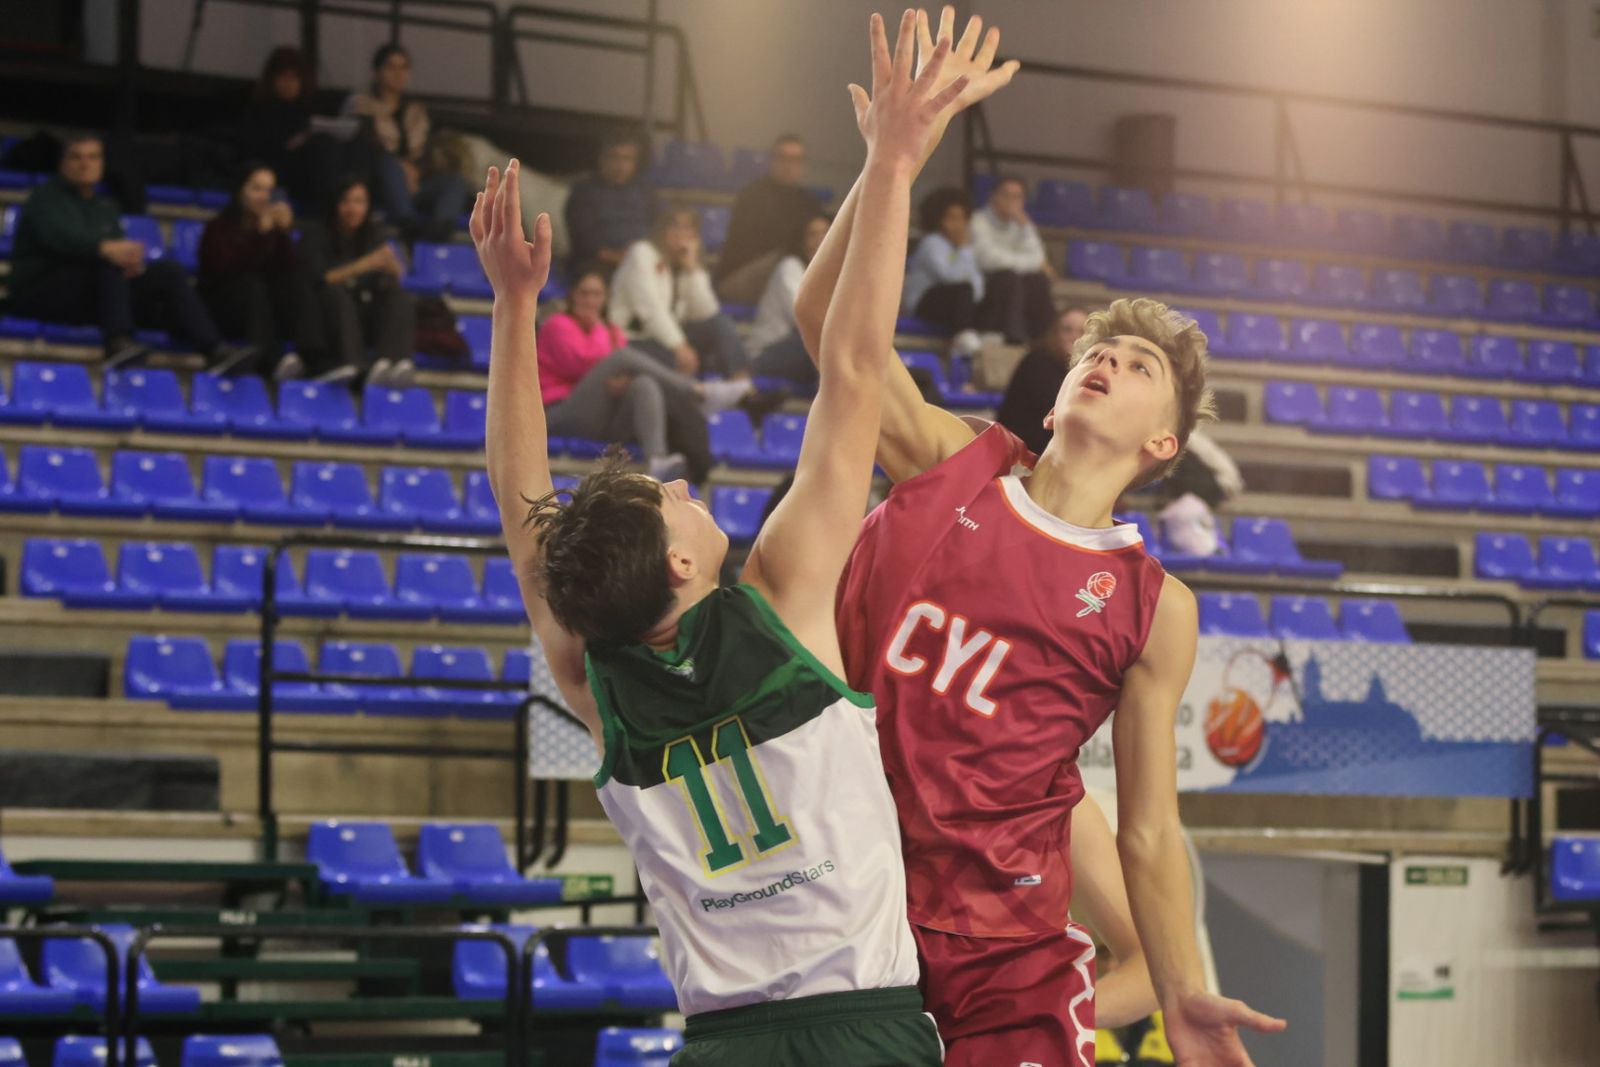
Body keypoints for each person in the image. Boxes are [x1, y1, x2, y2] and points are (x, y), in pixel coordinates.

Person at [475, 12, 982, 1063]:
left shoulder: (597, 678)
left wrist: (514, 307)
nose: (677, 483)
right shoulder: (785, 600)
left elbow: (527, 524)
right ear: (680, 562)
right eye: (670, 500)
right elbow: (852, 372)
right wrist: (890, 164)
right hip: (864, 1028)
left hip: (722, 1040)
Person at [795, 9, 1287, 1065]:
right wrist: (890, 159)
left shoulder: (1156, 606)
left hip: (1004, 961)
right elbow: (822, 321)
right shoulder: (950, 460)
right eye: (1094, 346)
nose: (1100, 357)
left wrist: (1182, 985)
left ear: (1165, 439)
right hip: (849, 903)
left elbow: (1149, 829)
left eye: (1134, 362)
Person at [8, 134, 250, 372]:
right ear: (62, 163)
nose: (85, 164)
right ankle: (117, 343)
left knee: (168, 272)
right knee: (110, 262)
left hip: (90, 293)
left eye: (93, 158)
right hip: (43, 292)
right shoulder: (44, 199)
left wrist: (131, 263)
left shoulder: (104, 209)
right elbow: (60, 239)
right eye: (76, 157)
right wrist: (105, 249)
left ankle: (213, 349)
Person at [538, 267, 757, 485]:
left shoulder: (612, 330)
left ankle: (658, 459)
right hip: (562, 411)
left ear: (605, 298)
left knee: (644, 383)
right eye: (583, 293)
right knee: (623, 357)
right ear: (572, 295)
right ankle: (697, 391)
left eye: (596, 294)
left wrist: (625, 380)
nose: (590, 300)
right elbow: (583, 363)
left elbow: (619, 369)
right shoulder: (557, 324)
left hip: (603, 417)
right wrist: (599, 329)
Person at [198, 163, 329, 381]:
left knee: (295, 282)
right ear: (241, 190)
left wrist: (283, 234)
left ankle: (314, 358)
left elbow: (285, 268)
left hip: (263, 309)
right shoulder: (218, 228)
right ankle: (270, 361)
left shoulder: (270, 228)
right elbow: (227, 271)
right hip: (222, 308)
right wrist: (260, 236)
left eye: (269, 190)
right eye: (257, 189)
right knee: (252, 285)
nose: (264, 197)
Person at [298, 178, 417, 387]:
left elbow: (388, 280)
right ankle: (351, 364)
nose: (353, 208)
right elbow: (320, 279)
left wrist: (394, 270)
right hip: (326, 318)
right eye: (346, 201)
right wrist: (365, 264)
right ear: (335, 204)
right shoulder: (315, 233)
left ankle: (391, 363)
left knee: (401, 297)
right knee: (336, 294)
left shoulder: (374, 233)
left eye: (360, 202)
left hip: (363, 314)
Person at [342, 43, 469, 240]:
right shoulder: (361, 105)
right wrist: (402, 168)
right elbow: (367, 145)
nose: (398, 73)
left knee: (455, 181)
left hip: (416, 183)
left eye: (404, 68)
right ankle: (407, 224)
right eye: (391, 67)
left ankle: (439, 231)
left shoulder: (416, 111)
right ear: (377, 72)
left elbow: (426, 152)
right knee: (388, 165)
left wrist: (417, 172)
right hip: (379, 184)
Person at [608, 207, 748, 378]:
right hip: (634, 339)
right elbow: (650, 309)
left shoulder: (685, 262)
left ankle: (743, 386)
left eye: (688, 227)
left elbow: (707, 311)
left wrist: (692, 268)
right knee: (678, 359)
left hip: (667, 338)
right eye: (674, 226)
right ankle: (699, 394)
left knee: (720, 323)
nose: (681, 233)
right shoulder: (642, 253)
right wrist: (679, 346)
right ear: (662, 229)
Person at [237, 46, 353, 216]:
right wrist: (288, 146)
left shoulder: (309, 109)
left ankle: (337, 203)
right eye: (283, 77)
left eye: (294, 78)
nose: (288, 83)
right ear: (272, 79)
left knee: (327, 145)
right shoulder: (258, 111)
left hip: (308, 177)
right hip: (275, 175)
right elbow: (250, 152)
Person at [713, 134, 823, 304]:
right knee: (787, 261)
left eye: (796, 160)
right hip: (741, 275)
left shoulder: (809, 202)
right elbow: (751, 246)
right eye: (784, 158)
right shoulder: (752, 196)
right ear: (772, 161)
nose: (789, 165)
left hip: (789, 275)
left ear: (803, 165)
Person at [747, 212, 831, 385]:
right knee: (826, 344)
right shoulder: (790, 267)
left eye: (825, 233)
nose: (819, 240)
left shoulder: (834, 274)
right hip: (767, 352)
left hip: (803, 350)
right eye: (812, 234)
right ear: (802, 241)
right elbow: (804, 317)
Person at [971, 175, 1057, 343]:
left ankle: (1042, 337)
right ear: (993, 196)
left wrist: (1025, 228)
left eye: (1017, 197)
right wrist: (1025, 263)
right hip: (985, 286)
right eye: (1006, 195)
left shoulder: (1023, 224)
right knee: (1009, 277)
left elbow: (1038, 257)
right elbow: (989, 260)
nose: (1011, 201)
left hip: (1015, 283)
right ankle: (1013, 337)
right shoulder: (978, 221)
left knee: (1039, 279)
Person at [902, 186, 986, 352]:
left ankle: (983, 333)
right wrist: (962, 248)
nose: (958, 224)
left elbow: (977, 286)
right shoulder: (932, 243)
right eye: (952, 218)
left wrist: (963, 250)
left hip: (954, 302)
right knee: (963, 289)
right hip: (924, 303)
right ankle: (963, 333)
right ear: (939, 219)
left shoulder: (965, 249)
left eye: (961, 218)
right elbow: (949, 277)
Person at [995, 304, 1085, 454]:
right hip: (1019, 453)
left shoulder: (1083, 369)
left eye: (1082, 332)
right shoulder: (1037, 361)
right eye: (1067, 330)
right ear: (1054, 332)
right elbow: (1059, 409)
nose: (1074, 337)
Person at [563, 134, 654, 274]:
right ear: (602, 159)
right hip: (597, 265)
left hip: (642, 262)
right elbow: (583, 241)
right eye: (614, 157)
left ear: (635, 164)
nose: (620, 165)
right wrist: (622, 259)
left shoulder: (645, 191)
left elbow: (659, 228)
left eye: (627, 159)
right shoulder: (583, 192)